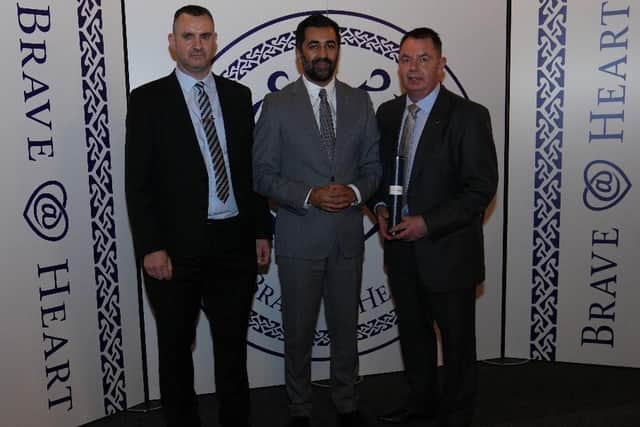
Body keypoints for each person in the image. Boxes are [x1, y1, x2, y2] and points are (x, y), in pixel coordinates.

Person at [124, 5, 271, 427]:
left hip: (234, 244)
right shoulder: (148, 100)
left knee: (231, 349)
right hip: (173, 251)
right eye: (187, 36)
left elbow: (248, 172)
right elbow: (139, 182)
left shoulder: (238, 96)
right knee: (174, 351)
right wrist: (151, 246)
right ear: (173, 44)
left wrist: (262, 229)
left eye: (204, 36)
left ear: (215, 41)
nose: (197, 44)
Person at [252, 14, 381, 427]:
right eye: (314, 46)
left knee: (346, 328)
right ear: (298, 53)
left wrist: (357, 193)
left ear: (337, 51)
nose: (322, 54)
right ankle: (299, 407)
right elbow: (262, 174)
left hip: (347, 238)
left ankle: (347, 401)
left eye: (329, 46)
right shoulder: (276, 105)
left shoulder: (361, 102)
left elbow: (373, 167)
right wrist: (309, 195)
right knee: (298, 331)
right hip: (298, 239)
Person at [372, 28, 498, 427]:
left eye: (424, 59)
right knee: (414, 336)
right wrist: (377, 207)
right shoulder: (388, 114)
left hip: (448, 251)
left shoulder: (469, 116)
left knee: (457, 342)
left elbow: (480, 187)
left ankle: (458, 414)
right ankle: (420, 403)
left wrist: (427, 223)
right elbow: (377, 175)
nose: (414, 68)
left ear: (441, 66)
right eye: (406, 59)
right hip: (400, 251)